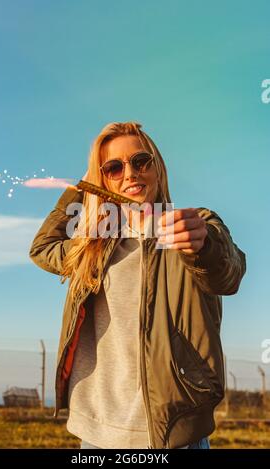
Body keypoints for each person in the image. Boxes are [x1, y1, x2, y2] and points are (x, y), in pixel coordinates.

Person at [29, 121, 246, 449]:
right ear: (102, 180)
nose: (130, 173)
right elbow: (42, 247)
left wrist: (205, 245)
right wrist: (81, 188)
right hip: (97, 433)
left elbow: (228, 274)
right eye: (113, 168)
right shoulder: (94, 248)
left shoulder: (191, 227)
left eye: (140, 161)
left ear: (157, 167)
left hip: (171, 430)